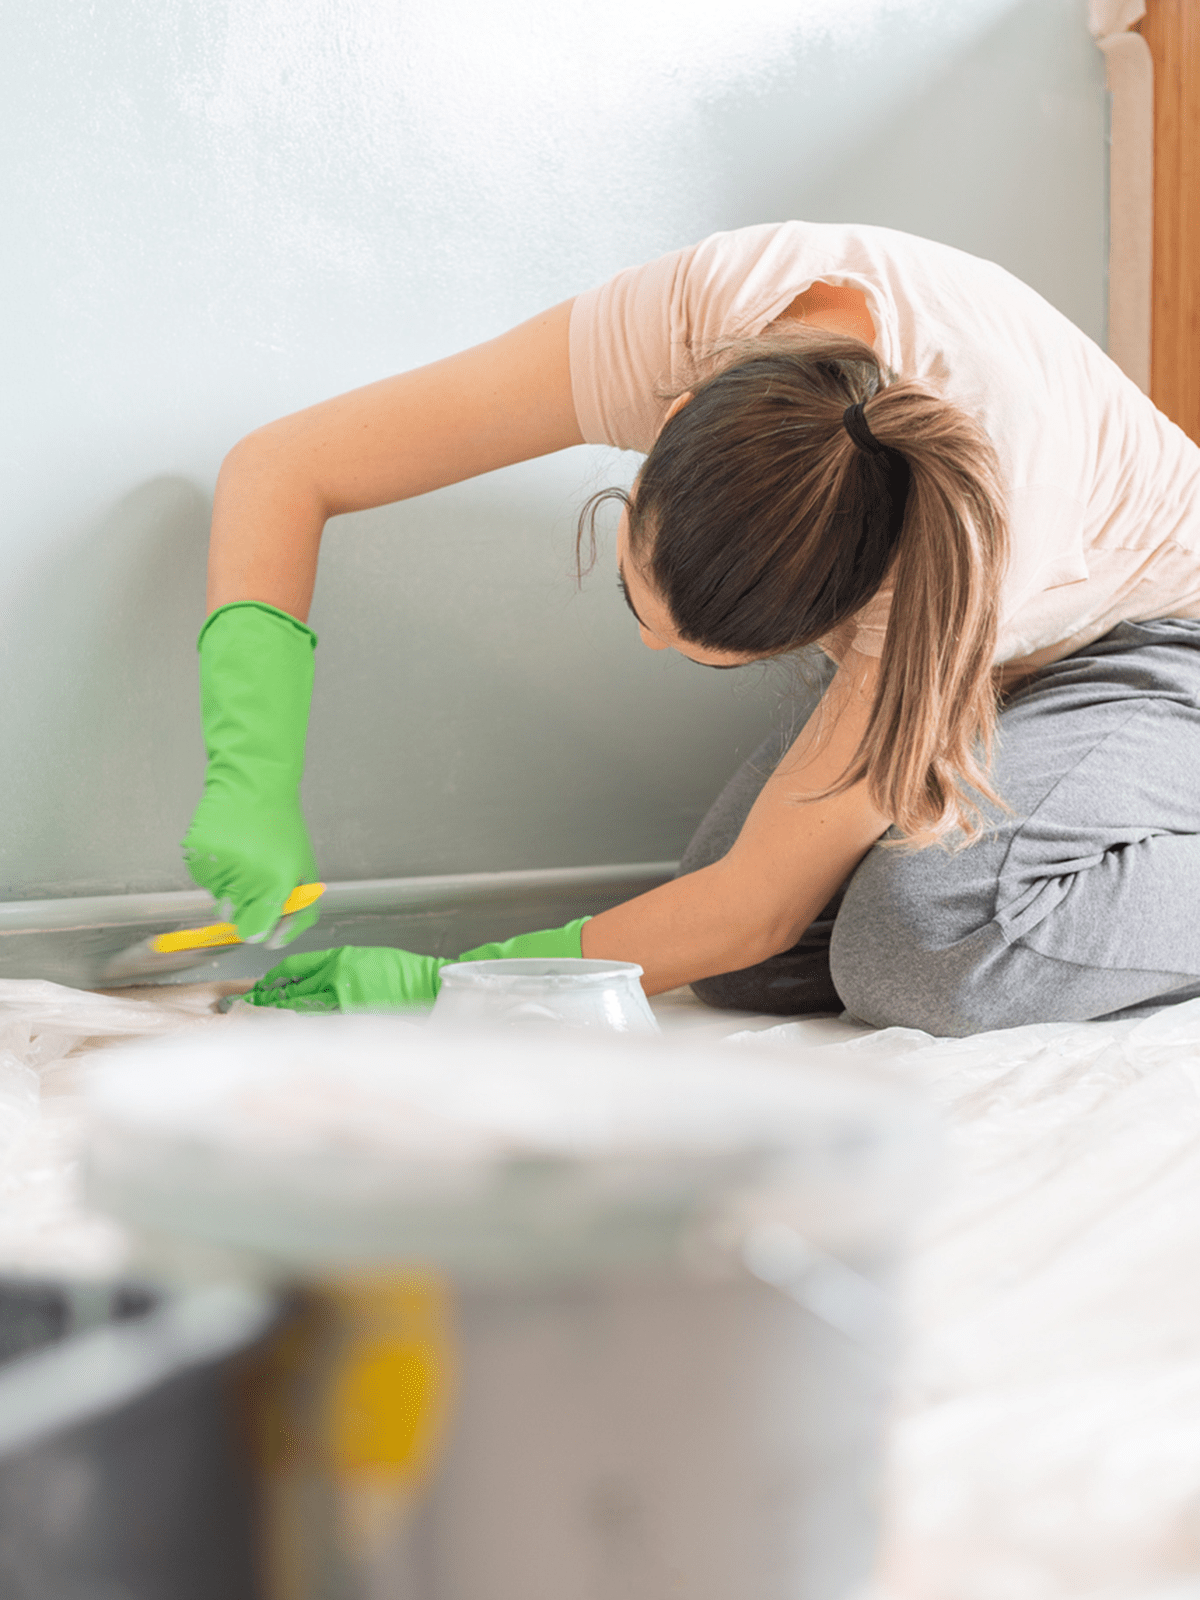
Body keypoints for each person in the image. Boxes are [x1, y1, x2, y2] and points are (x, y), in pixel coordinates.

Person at [184, 222, 1200, 1035]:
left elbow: (754, 899)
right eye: (640, 597)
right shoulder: (700, 313)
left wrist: (458, 990)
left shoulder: (966, 537)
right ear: (672, 418)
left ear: (848, 604)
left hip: (1159, 640)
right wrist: (250, 776)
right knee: (753, 966)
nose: (647, 645)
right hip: (1010, 647)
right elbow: (285, 468)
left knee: (917, 948)